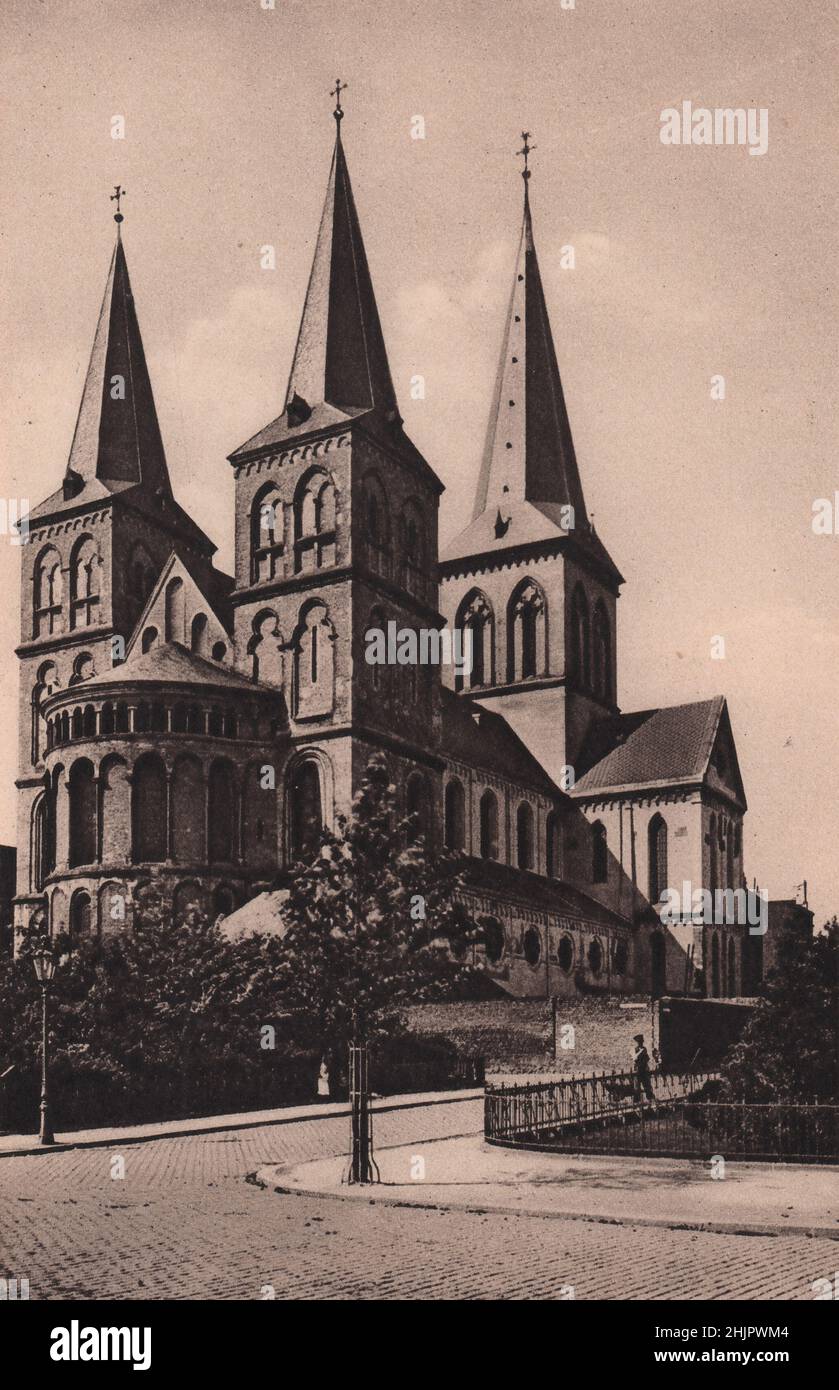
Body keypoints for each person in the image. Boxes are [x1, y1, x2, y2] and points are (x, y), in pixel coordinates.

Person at [631, 1033, 656, 1104]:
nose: (641, 1043)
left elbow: (647, 1058)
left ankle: (650, 1099)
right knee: (637, 1087)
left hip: (643, 1070)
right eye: (639, 1042)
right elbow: (635, 1059)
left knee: (647, 1085)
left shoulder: (644, 1049)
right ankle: (636, 1101)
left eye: (641, 1042)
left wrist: (644, 1062)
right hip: (638, 1070)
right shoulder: (636, 1049)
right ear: (638, 1042)